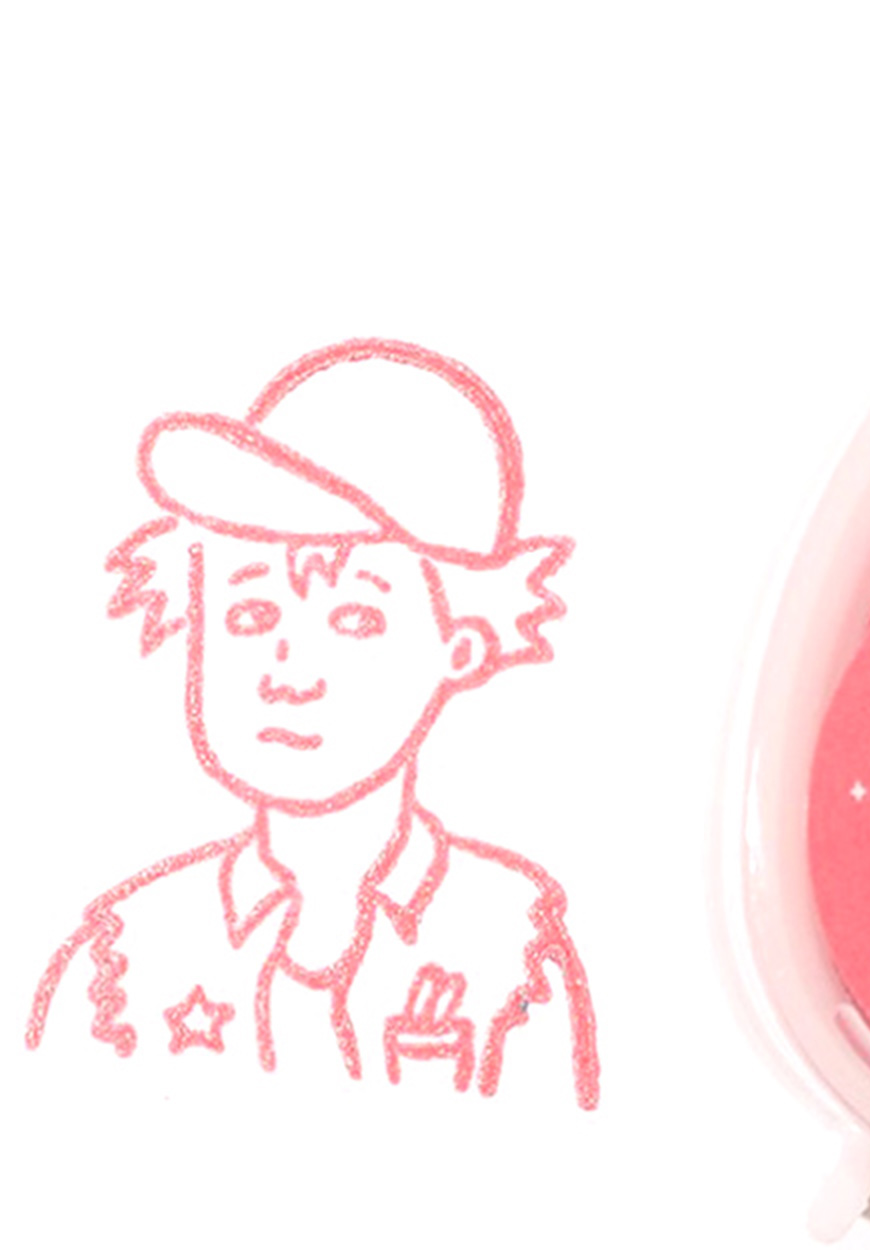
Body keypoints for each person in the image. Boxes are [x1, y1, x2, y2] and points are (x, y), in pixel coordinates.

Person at [26, 338, 598, 1106]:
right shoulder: (125, 959)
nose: (289, 671)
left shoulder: (507, 943)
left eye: (356, 619)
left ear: (459, 647)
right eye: (250, 614)